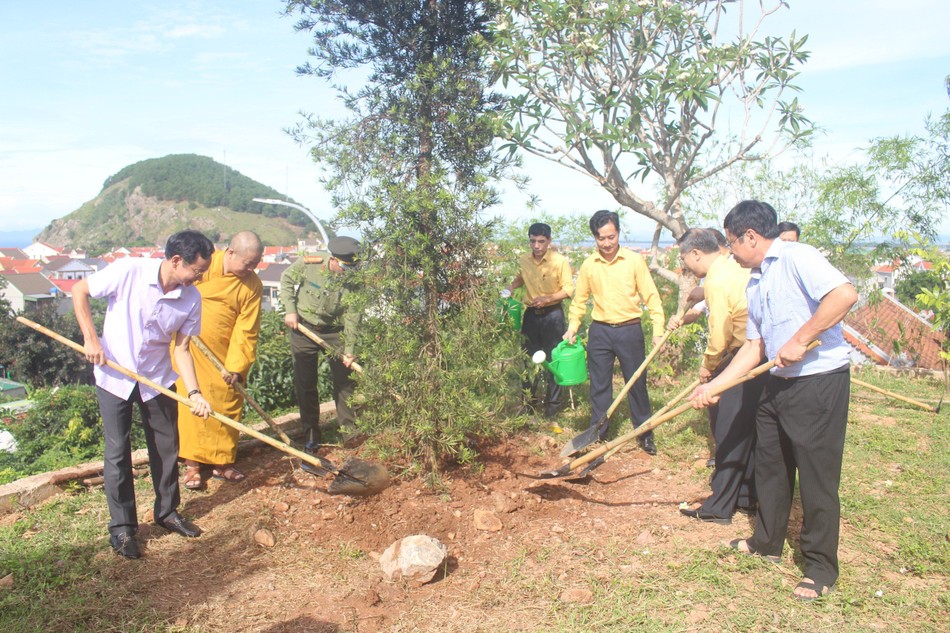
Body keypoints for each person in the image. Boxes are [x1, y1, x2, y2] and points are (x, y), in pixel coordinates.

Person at [690, 200, 857, 602]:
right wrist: (715, 386)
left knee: (816, 477)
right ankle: (767, 542)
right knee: (770, 465)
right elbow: (754, 346)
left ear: (751, 236)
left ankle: (819, 567)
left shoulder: (798, 257)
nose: (730, 252)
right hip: (776, 382)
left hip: (817, 382)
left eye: (732, 243)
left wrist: (800, 339)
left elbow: (845, 294)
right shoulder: (755, 279)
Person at [72, 230, 215, 559]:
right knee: (118, 451)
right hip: (114, 375)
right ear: (176, 261)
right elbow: (79, 290)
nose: (200, 277)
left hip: (158, 379)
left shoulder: (191, 297)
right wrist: (90, 339)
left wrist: (194, 391)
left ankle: (167, 513)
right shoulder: (128, 271)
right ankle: (122, 528)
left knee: (167, 448)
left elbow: (181, 348)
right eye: (198, 271)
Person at [669, 228, 764, 523]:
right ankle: (746, 496)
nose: (687, 267)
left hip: (741, 355)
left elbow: (719, 337)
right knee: (744, 428)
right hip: (756, 354)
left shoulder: (718, 280)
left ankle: (719, 506)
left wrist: (708, 368)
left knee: (728, 431)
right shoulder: (730, 266)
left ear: (696, 254)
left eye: (686, 261)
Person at [565, 210, 665, 455]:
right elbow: (579, 301)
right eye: (601, 238)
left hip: (629, 330)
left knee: (636, 383)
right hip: (600, 332)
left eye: (611, 237)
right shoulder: (589, 265)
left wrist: (658, 329)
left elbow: (651, 297)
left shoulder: (633, 261)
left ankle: (644, 433)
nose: (607, 243)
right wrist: (572, 328)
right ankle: (597, 433)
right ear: (595, 238)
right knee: (599, 386)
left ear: (618, 233)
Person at [176, 231, 264, 491]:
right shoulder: (204, 264)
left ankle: (222, 462)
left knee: (226, 404)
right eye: (247, 263)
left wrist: (236, 366)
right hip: (189, 348)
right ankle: (192, 465)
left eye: (256, 264)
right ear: (230, 252)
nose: (251, 269)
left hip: (225, 356)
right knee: (191, 405)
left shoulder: (252, 285)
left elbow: (246, 328)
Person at [280, 236, 362, 456]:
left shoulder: (354, 280)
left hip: (334, 332)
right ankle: (311, 435)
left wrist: (349, 349)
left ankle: (350, 433)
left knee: (345, 383)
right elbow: (287, 279)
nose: (348, 271)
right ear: (333, 260)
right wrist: (290, 310)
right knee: (306, 384)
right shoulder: (311, 263)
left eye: (352, 267)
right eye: (345, 266)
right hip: (303, 329)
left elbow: (353, 315)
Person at [504, 223, 574, 418]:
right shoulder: (524, 259)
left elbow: (569, 289)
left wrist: (548, 298)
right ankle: (529, 404)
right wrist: (510, 287)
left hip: (553, 315)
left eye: (541, 241)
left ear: (548, 241)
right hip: (531, 316)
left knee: (553, 361)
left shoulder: (559, 261)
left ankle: (552, 408)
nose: (536, 246)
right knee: (529, 360)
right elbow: (521, 277)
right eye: (533, 241)